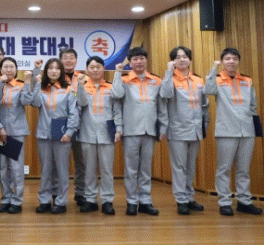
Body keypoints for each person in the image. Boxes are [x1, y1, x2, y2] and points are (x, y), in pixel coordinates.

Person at [205, 48, 262, 216]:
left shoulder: (247, 80)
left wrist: (254, 126)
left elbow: (253, 105)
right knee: (224, 169)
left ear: (238, 61)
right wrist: (213, 69)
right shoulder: (216, 79)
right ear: (223, 61)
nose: (231, 61)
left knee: (243, 169)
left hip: (247, 131)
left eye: (235, 58)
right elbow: (208, 90)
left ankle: (244, 201)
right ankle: (224, 202)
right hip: (226, 131)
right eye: (228, 58)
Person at [111, 47, 167, 216]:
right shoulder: (124, 80)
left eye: (142, 58)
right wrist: (117, 73)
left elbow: (162, 106)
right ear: (130, 62)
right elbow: (116, 96)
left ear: (146, 60)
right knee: (131, 169)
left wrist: (163, 127)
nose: (139, 62)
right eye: (135, 59)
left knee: (146, 169)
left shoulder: (156, 80)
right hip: (131, 131)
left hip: (150, 130)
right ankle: (131, 201)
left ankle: (145, 201)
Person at [158, 46, 208, 215]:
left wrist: (204, 125)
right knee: (179, 167)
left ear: (190, 60)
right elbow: (165, 94)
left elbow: (205, 105)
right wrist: (168, 72)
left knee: (190, 166)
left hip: (196, 130)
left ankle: (189, 197)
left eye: (185, 56)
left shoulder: (198, 79)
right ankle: (181, 200)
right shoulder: (170, 79)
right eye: (178, 57)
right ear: (173, 61)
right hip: (177, 130)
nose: (182, 59)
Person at [31, 58, 79, 214]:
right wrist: (37, 83)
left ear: (61, 71)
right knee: (46, 169)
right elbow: (35, 103)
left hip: (62, 133)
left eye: (57, 68)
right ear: (46, 71)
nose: (53, 71)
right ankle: (44, 200)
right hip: (44, 133)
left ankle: (61, 201)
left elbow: (74, 112)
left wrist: (69, 132)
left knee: (62, 169)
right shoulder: (41, 88)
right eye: (50, 68)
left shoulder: (69, 89)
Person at [75, 56, 121, 215]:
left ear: (103, 69)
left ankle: (107, 200)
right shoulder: (81, 86)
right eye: (92, 67)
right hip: (87, 133)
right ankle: (90, 199)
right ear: (87, 70)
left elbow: (117, 110)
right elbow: (80, 103)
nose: (95, 70)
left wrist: (119, 129)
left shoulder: (110, 87)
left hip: (107, 133)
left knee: (107, 170)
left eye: (98, 67)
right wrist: (80, 86)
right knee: (89, 170)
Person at [0, 57, 33, 214]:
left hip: (16, 132)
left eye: (11, 67)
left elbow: (26, 101)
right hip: (1, 133)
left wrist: (27, 82)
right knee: (3, 168)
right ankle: (6, 198)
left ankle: (16, 200)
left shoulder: (20, 85)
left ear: (16, 70)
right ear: (0, 70)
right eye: (5, 67)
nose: (8, 70)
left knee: (16, 168)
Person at [59, 47, 86, 206]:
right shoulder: (55, 77)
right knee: (59, 162)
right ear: (60, 60)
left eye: (71, 58)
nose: (68, 60)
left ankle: (80, 193)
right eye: (65, 58)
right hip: (60, 124)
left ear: (76, 61)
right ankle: (58, 194)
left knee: (81, 161)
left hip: (82, 124)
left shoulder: (83, 77)